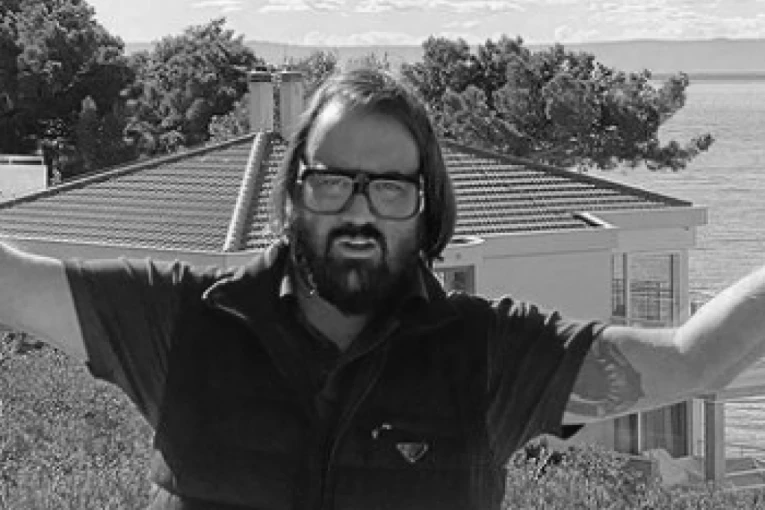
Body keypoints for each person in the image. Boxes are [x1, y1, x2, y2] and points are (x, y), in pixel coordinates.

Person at [0, 67, 763, 510]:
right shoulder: (179, 318)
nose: (359, 212)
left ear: (426, 206)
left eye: (390, 187)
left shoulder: (489, 354)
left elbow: (690, 361)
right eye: (333, 182)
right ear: (292, 195)